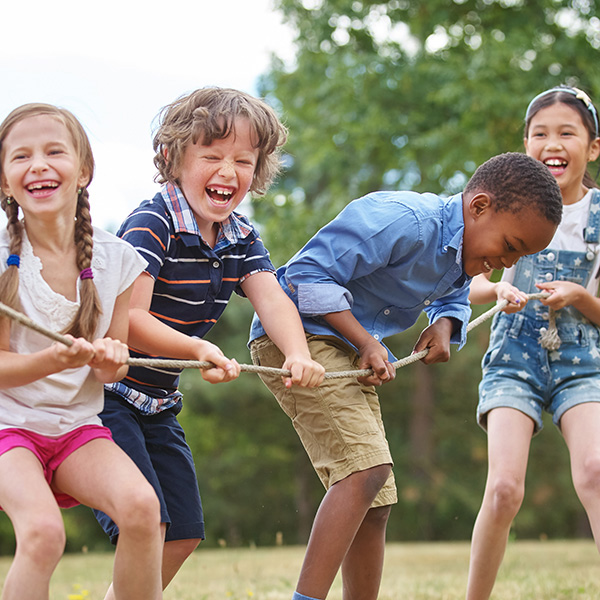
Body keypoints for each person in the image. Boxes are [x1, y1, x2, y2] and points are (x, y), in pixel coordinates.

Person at [249, 151, 564, 600]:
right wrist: (365, 341)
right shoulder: (404, 221)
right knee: (365, 472)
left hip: (347, 348)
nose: (503, 263)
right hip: (298, 338)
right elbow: (305, 274)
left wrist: (445, 325)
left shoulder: (461, 254)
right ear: (478, 207)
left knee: (376, 501)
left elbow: (453, 295)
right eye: (509, 247)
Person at [93, 87, 325, 598]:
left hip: (156, 402)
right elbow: (129, 319)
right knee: (146, 520)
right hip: (105, 396)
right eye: (212, 156)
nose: (228, 170)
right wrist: (198, 349)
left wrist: (298, 353)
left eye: (243, 160)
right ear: (175, 158)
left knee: (183, 533)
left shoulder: (240, 236)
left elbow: (274, 300)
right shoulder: (153, 224)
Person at [0, 103, 163, 599]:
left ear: (83, 170)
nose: (39, 165)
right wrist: (54, 360)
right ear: (5, 181)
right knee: (44, 534)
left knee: (142, 509)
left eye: (54, 151)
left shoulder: (118, 260)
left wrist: (110, 363)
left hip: (76, 428)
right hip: (9, 427)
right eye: (20, 156)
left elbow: (110, 368)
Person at [466, 85, 600, 599]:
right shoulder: (500, 205)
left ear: (591, 147)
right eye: (540, 133)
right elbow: (469, 283)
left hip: (581, 362)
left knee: (593, 472)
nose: (553, 142)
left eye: (567, 132)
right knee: (503, 489)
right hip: (512, 360)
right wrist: (496, 285)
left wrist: (579, 298)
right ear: (525, 145)